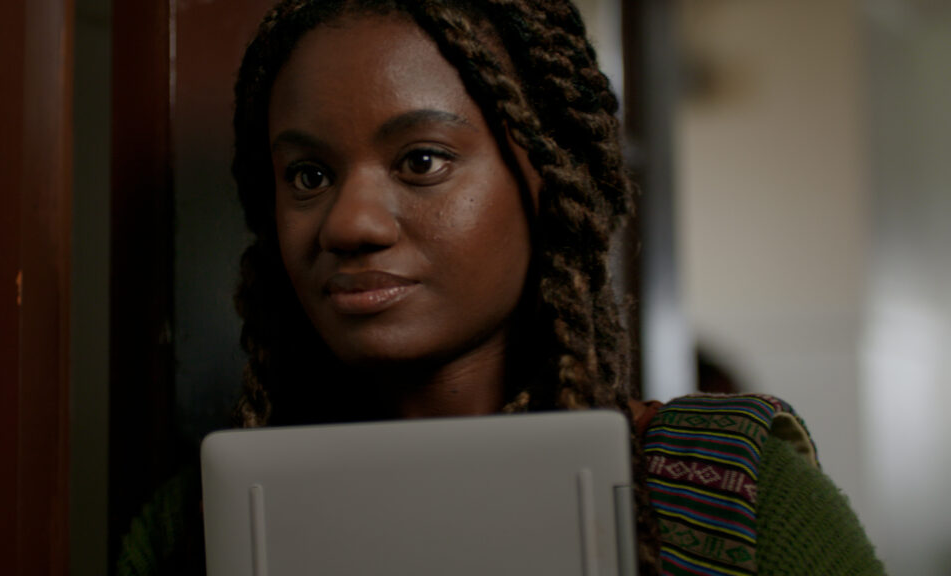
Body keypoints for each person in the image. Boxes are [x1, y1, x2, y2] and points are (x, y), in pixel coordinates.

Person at [118, 1, 885, 574]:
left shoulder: (739, 499)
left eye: (421, 160)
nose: (348, 224)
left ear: (550, 181)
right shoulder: (188, 534)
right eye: (309, 175)